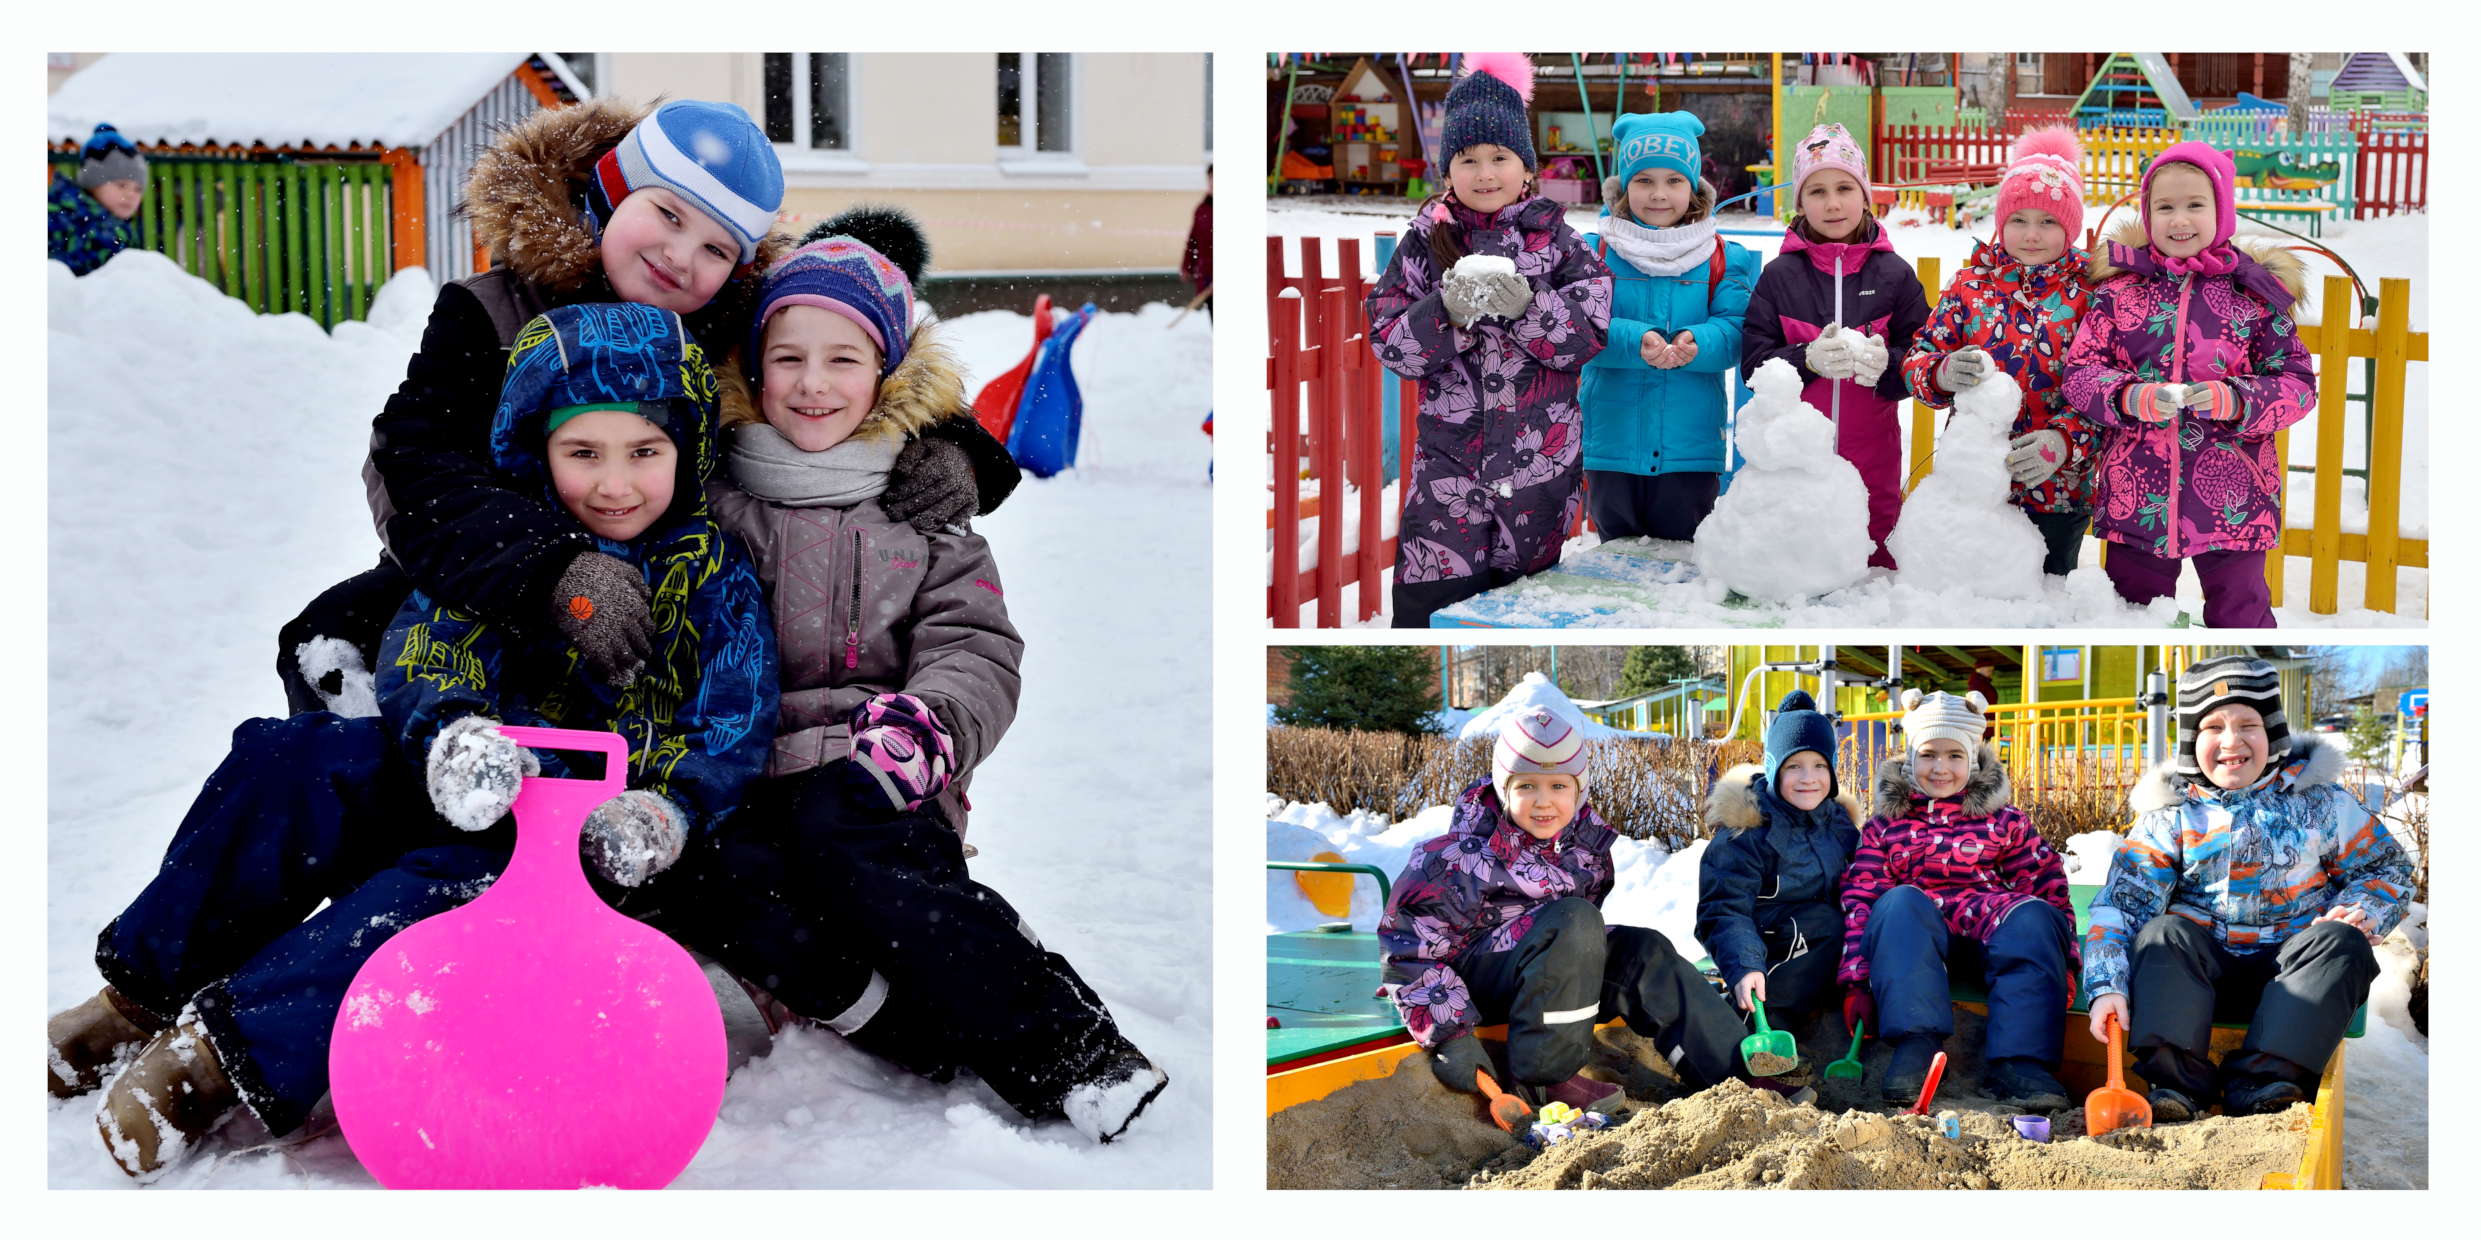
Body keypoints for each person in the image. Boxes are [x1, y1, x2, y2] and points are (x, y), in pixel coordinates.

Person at [46, 303, 778, 1178]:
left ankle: (220, 1057)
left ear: (685, 450)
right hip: (464, 773)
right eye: (584, 453)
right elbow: (429, 644)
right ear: (538, 448)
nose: (614, 483)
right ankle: (137, 993)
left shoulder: (712, 576)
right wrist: (454, 731)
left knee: (431, 897)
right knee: (291, 761)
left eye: (643, 452)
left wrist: (664, 809)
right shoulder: (522, 542)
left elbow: (731, 718)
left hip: (570, 838)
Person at [639, 208, 1167, 1144]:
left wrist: (932, 723)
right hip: (738, 767)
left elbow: (976, 643)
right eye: (788, 358)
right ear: (752, 369)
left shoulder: (921, 508)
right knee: (719, 879)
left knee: (855, 850)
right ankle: (903, 1026)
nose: (812, 383)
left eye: (842, 359)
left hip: (874, 763)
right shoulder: (712, 500)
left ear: (885, 374)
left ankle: (1075, 1056)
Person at [276, 98, 1012, 717]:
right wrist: (551, 568)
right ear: (610, 189)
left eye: (717, 248)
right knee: (332, 642)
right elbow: (416, 462)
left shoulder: (727, 329)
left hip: (667, 584)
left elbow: (847, 365)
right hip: (492, 576)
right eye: (666, 213)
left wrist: (956, 448)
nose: (681, 256)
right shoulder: (490, 314)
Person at [1380, 706, 1770, 1132]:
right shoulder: (1456, 856)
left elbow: (1574, 940)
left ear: (1579, 791)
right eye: (1526, 785)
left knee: (1642, 950)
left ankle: (1736, 1072)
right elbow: (1407, 946)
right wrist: (1449, 1033)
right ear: (1502, 788)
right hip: (1476, 984)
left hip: (1545, 977)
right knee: (1576, 919)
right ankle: (1543, 1079)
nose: (1543, 800)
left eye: (1558, 786)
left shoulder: (1582, 849)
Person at [2083, 656, 2411, 1120]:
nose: (2231, 741)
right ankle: (2176, 1088)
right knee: (2161, 934)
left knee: (2342, 942)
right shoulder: (2171, 815)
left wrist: (2360, 910)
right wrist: (2106, 985)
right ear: (2191, 742)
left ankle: (2263, 1083)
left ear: (2273, 733)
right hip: (2195, 977)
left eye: (2248, 725)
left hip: (2295, 976)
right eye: (2212, 727)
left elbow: (2385, 868)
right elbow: (2122, 906)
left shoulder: (2320, 803)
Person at [1364, 53, 1612, 627]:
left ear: (1526, 167)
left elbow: (1589, 335)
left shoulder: (1560, 245)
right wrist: (1445, 313)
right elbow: (1388, 340)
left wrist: (1530, 307)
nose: (1485, 173)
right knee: (1431, 607)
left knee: (1519, 612)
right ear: (1447, 171)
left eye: (1500, 157)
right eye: (1468, 159)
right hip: (1447, 473)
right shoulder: (1425, 245)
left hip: (1539, 471)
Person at [2061, 143, 2313, 628]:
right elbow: (2081, 372)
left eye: (2195, 204)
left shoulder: (2253, 296)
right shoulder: (2120, 291)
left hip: (2236, 496)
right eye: (2164, 207)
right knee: (2133, 616)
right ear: (2147, 213)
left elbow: (2297, 383)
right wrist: (2128, 396)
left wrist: (2236, 399)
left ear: (2222, 211)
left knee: (2240, 614)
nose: (2179, 220)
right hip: (2136, 494)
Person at [1840, 690, 2078, 1110]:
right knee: (1896, 903)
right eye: (1928, 755)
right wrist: (1857, 983)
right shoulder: (1884, 826)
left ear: (1973, 759)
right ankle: (1918, 1045)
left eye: (1954, 755)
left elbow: (2046, 885)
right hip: (1918, 934)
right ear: (1910, 758)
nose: (1941, 768)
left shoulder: (2005, 821)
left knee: (2034, 916)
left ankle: (2019, 1063)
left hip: (1991, 924)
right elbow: (1862, 900)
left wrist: (2066, 961)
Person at [1900, 128, 2100, 576]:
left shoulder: (2090, 295)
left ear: (2070, 227)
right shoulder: (1970, 287)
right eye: (2018, 219)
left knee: (2045, 592)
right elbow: (1918, 357)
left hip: (2058, 489)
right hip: (1975, 481)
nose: (2031, 234)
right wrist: (1940, 373)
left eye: (2048, 222)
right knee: (1974, 588)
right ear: (2001, 222)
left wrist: (2064, 442)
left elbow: (2103, 386)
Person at [1740, 123, 1928, 568]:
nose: (1832, 203)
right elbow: (1753, 366)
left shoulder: (1895, 275)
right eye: (1817, 191)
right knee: (1800, 563)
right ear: (1800, 202)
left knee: (1873, 564)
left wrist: (1887, 365)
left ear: (1865, 195)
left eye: (1845, 188)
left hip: (1874, 455)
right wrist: (1806, 359)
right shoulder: (1779, 277)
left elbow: (1922, 357)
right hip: (1797, 460)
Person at [1577, 112, 1759, 541]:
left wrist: (1700, 342)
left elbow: (1737, 329)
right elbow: (1577, 326)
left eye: (1674, 180)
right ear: (1624, 186)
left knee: (1681, 563)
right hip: (1611, 445)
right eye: (1644, 180)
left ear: (1693, 186)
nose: (1659, 194)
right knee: (1616, 559)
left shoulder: (1722, 256)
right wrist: (1633, 340)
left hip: (1689, 450)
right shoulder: (1594, 251)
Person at [1696, 691, 1862, 1036]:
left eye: (1819, 765)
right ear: (1773, 768)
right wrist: (1744, 964)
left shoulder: (1837, 824)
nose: (1808, 778)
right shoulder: (1748, 833)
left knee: (1849, 921)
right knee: (1825, 923)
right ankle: (1763, 1022)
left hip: (1819, 945)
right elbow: (1723, 909)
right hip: (1761, 944)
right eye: (1794, 766)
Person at [49, 122, 145, 276]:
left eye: (138, 189)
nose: (131, 195)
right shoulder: (66, 219)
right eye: (121, 185)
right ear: (93, 185)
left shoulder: (122, 229)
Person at [1181, 163, 1212, 318]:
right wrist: (1187, 266)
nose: (1213, 183)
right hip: (1207, 274)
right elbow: (1193, 240)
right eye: (1210, 179)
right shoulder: (1202, 209)